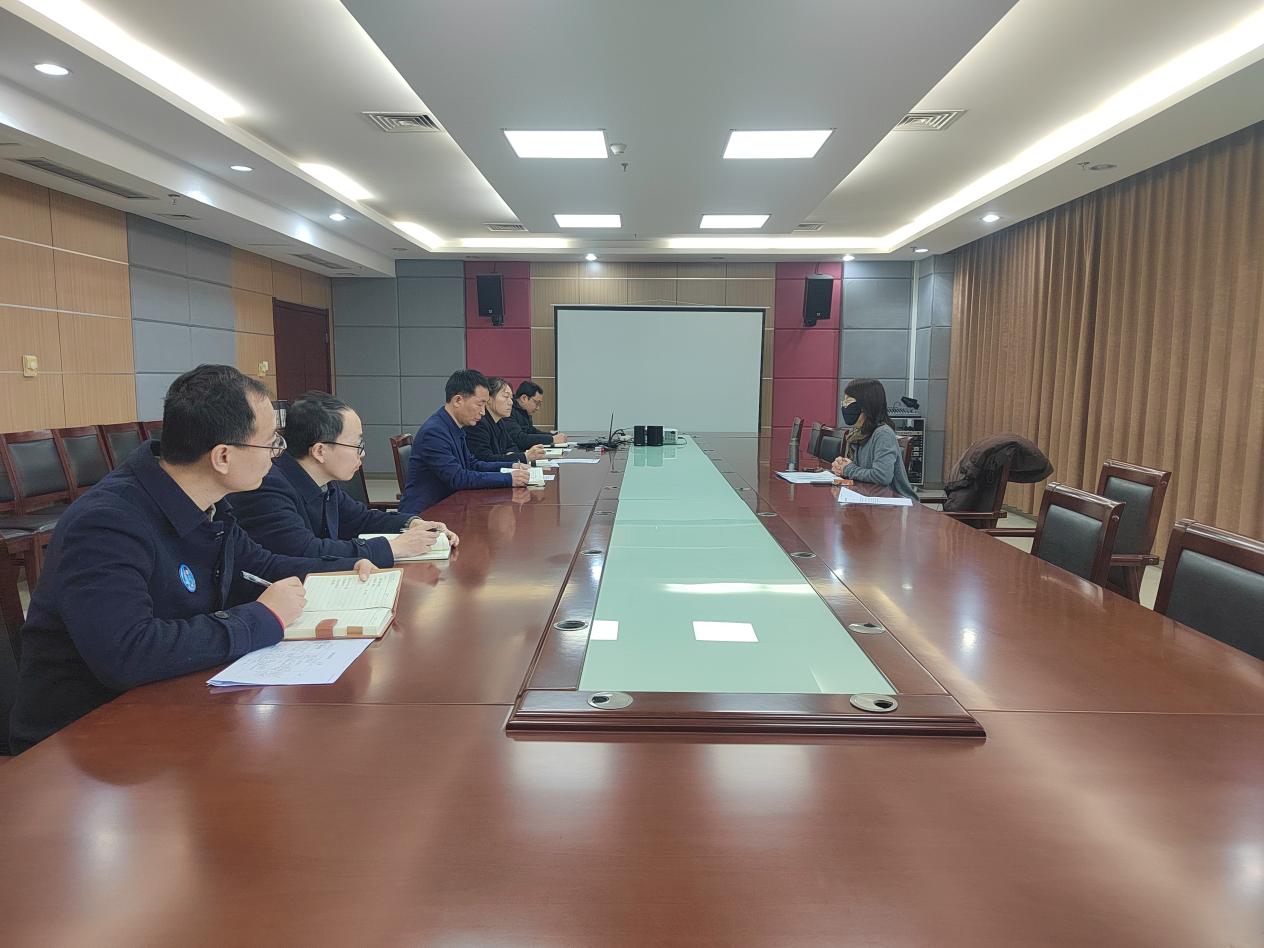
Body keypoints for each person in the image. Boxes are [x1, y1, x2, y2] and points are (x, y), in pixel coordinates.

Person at [8, 365, 376, 753]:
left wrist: (347, 570)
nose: (277, 455)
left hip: (170, 708)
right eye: (271, 443)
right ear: (222, 457)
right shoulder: (107, 524)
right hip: (83, 741)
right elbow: (128, 653)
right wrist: (260, 619)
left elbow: (261, 566)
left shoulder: (209, 505)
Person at [230, 391, 458, 567]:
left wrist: (413, 523)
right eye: (357, 445)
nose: (363, 453)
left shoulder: (324, 483)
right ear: (320, 451)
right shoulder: (267, 488)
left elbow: (361, 519)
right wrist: (392, 548)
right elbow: (306, 551)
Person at [398, 369, 531, 517]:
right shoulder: (434, 432)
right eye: (480, 404)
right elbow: (458, 478)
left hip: (448, 508)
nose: (483, 412)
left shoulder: (454, 426)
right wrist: (508, 479)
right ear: (458, 401)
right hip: (424, 515)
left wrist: (512, 467)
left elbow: (472, 464)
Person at [829, 378, 919, 500]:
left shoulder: (883, 434)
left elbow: (882, 476)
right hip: (869, 497)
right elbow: (857, 470)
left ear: (865, 405)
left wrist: (848, 469)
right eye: (843, 402)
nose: (844, 406)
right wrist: (841, 466)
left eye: (848, 401)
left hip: (895, 503)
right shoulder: (858, 433)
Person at [466, 377, 548, 465]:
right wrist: (524, 456)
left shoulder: (500, 421)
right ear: (488, 398)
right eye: (506, 397)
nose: (511, 402)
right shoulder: (478, 423)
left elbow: (512, 446)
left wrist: (511, 455)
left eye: (511, 397)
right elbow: (485, 459)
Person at [503, 380, 567, 451]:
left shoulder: (523, 411)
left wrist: (552, 435)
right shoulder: (508, 412)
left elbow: (531, 431)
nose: (538, 408)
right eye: (536, 403)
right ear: (524, 398)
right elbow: (520, 439)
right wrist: (552, 439)